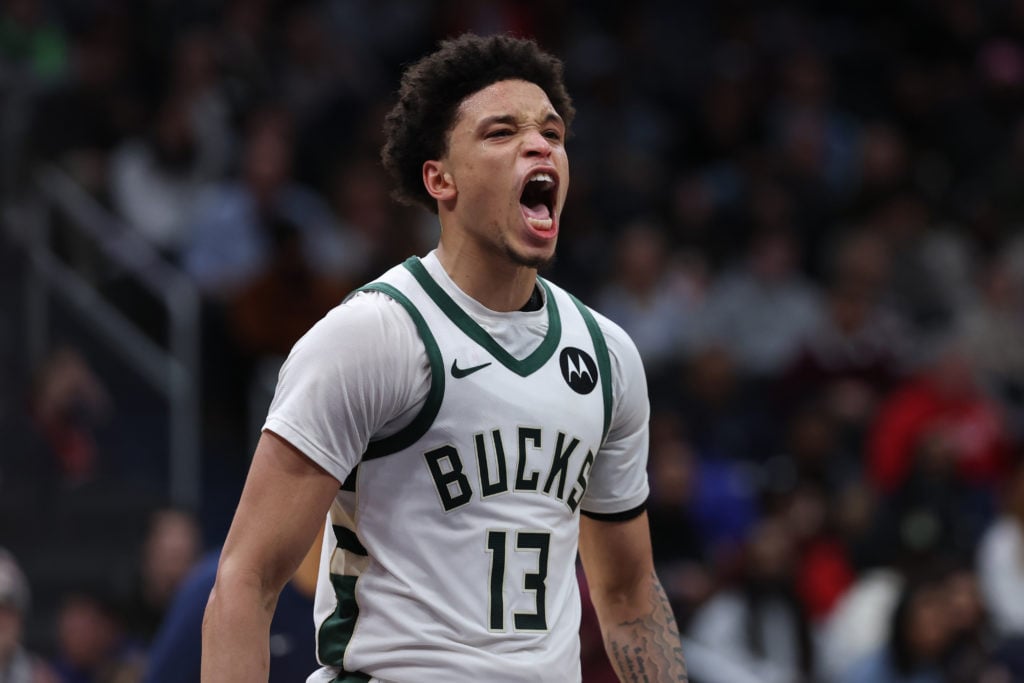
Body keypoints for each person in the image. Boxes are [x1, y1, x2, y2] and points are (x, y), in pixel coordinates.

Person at [202, 32, 688, 682]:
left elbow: (628, 596)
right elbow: (246, 578)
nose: (540, 144)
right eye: (501, 132)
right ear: (441, 179)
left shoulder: (608, 356)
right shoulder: (373, 335)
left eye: (551, 131)